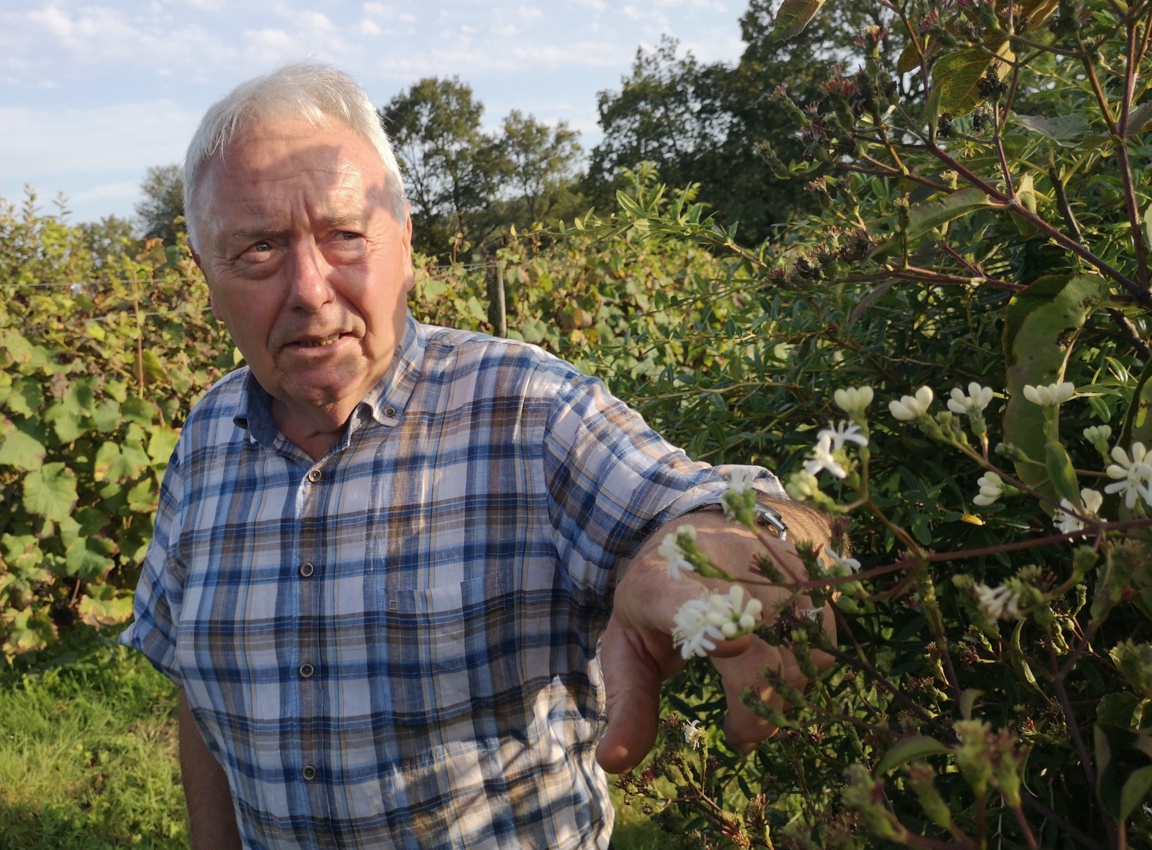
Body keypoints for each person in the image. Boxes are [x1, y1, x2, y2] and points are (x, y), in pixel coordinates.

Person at [120, 62, 834, 850]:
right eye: (257, 249)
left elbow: (717, 508)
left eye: (345, 235)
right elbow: (199, 688)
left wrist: (755, 547)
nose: (311, 289)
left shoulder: (528, 409)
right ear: (205, 276)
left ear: (406, 242)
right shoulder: (207, 434)